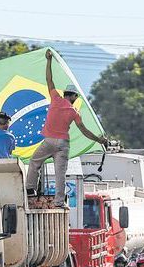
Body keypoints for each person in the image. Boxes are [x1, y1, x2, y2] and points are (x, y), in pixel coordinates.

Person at [26, 49, 108, 206]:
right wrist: (99, 140)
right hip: (63, 143)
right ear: (75, 97)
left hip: (49, 141)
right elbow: (84, 131)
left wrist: (48, 61)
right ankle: (58, 201)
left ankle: (30, 188)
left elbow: (49, 79)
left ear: (65, 94)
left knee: (34, 162)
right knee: (60, 174)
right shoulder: (74, 112)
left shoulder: (56, 98)